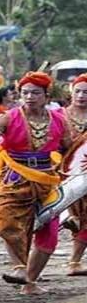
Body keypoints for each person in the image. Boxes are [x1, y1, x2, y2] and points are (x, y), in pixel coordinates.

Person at [0, 71, 72, 295]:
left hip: (47, 179)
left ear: (46, 95)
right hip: (13, 178)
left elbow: (69, 150)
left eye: (35, 93)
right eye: (24, 92)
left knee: (50, 233)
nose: (29, 97)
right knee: (7, 220)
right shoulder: (6, 118)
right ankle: (18, 268)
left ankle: (30, 282)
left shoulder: (59, 120)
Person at [62, 74, 87, 276]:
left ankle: (74, 261)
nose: (81, 95)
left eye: (86, 92)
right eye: (77, 91)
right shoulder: (58, 116)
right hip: (62, 172)